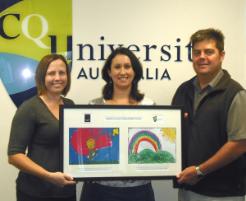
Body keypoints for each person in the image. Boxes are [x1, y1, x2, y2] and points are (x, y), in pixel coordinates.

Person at [172, 28, 246, 201]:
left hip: (222, 193)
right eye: (197, 52)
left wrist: (200, 170)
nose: (202, 57)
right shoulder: (183, 90)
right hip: (187, 188)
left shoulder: (236, 94)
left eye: (209, 52)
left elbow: (239, 144)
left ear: (221, 55)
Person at [80, 47, 156, 201]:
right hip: (99, 189)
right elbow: (86, 149)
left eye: (127, 67)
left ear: (135, 71)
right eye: (117, 67)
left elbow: (152, 146)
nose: (123, 72)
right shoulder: (94, 106)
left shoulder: (149, 106)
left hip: (138, 190)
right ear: (109, 72)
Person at [7, 54, 76, 201]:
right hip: (35, 192)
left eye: (62, 73)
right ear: (42, 77)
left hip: (66, 190)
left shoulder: (70, 105)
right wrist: (49, 176)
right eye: (51, 73)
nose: (57, 78)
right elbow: (14, 156)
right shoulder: (29, 108)